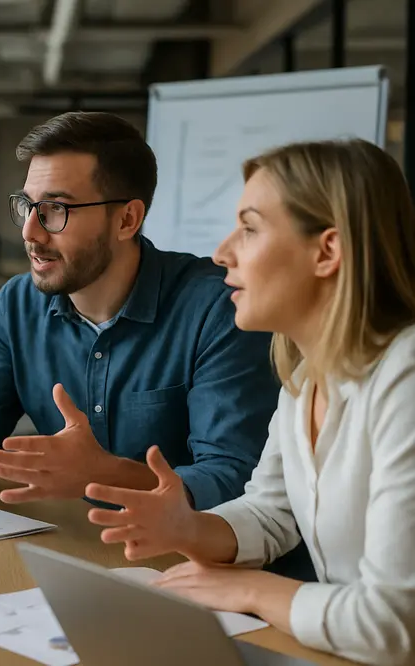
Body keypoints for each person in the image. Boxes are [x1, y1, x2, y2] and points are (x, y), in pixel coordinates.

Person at [86, 139, 415, 665]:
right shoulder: (306, 376)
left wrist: (251, 590)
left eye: (250, 228)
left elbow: (393, 624)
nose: (223, 253)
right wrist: (188, 527)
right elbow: (271, 513)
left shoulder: (406, 377)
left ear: (327, 252)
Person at [0, 111, 279, 510]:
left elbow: (235, 478)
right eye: (27, 206)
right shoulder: (17, 306)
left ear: (127, 219)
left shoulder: (219, 308)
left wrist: (105, 474)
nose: (30, 231)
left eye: (56, 209)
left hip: (184, 549)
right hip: (72, 540)